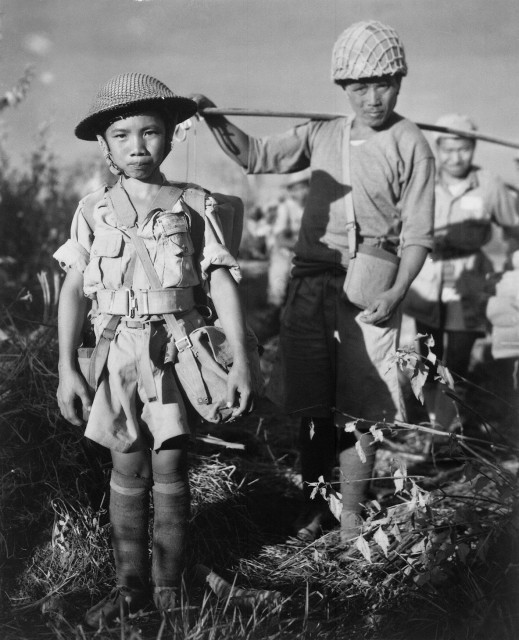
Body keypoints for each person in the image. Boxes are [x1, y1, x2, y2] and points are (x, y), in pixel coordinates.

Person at [191, 20, 435, 542]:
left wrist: (396, 293)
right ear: (343, 88)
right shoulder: (323, 132)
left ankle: (349, 519)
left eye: (385, 83)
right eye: (360, 86)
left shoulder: (411, 143)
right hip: (309, 285)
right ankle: (312, 508)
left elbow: (418, 235)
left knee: (360, 411)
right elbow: (255, 156)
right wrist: (213, 116)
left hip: (372, 288)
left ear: (400, 80)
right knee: (310, 406)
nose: (373, 97)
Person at [54, 73, 252, 627]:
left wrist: (242, 357)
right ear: (104, 144)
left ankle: (169, 591)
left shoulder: (195, 204)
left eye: (151, 133)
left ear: (171, 137)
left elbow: (221, 283)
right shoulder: (93, 209)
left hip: (176, 353)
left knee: (170, 463)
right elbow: (73, 288)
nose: (137, 146)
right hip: (117, 354)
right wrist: (67, 368)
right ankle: (130, 588)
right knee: (127, 463)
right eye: (122, 135)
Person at [404, 114, 519, 431]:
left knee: (457, 361)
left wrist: (505, 268)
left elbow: (513, 230)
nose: (456, 157)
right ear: (438, 149)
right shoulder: (423, 181)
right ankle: (430, 418)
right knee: (428, 357)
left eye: (464, 149)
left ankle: (446, 432)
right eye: (449, 149)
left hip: (468, 286)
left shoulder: (490, 185)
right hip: (426, 283)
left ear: (474, 147)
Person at [264, 171, 309, 332]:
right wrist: (303, 245)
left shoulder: (314, 207)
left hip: (306, 255)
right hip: (285, 253)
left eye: (304, 187)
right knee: (278, 286)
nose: (301, 192)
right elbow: (280, 238)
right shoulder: (286, 207)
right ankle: (271, 326)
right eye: (296, 189)